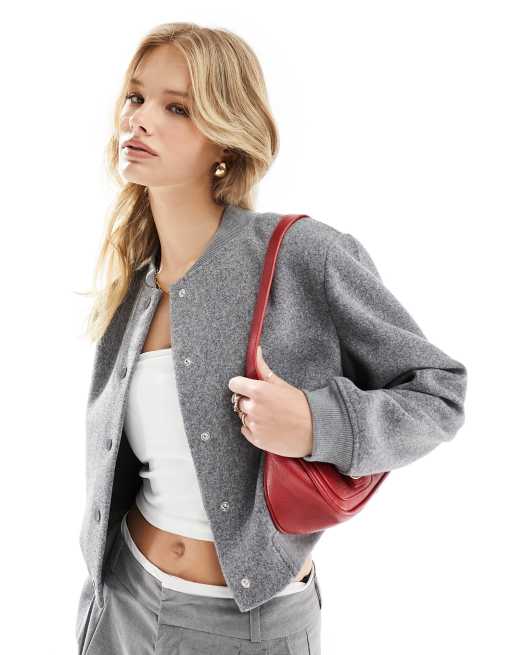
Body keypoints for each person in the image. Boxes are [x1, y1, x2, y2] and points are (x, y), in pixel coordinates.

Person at [75, 22, 467, 655]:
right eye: (136, 97)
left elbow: (439, 395)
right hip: (122, 601)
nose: (139, 119)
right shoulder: (133, 286)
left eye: (177, 108)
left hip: (250, 626)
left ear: (225, 139)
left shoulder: (302, 254)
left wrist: (317, 423)